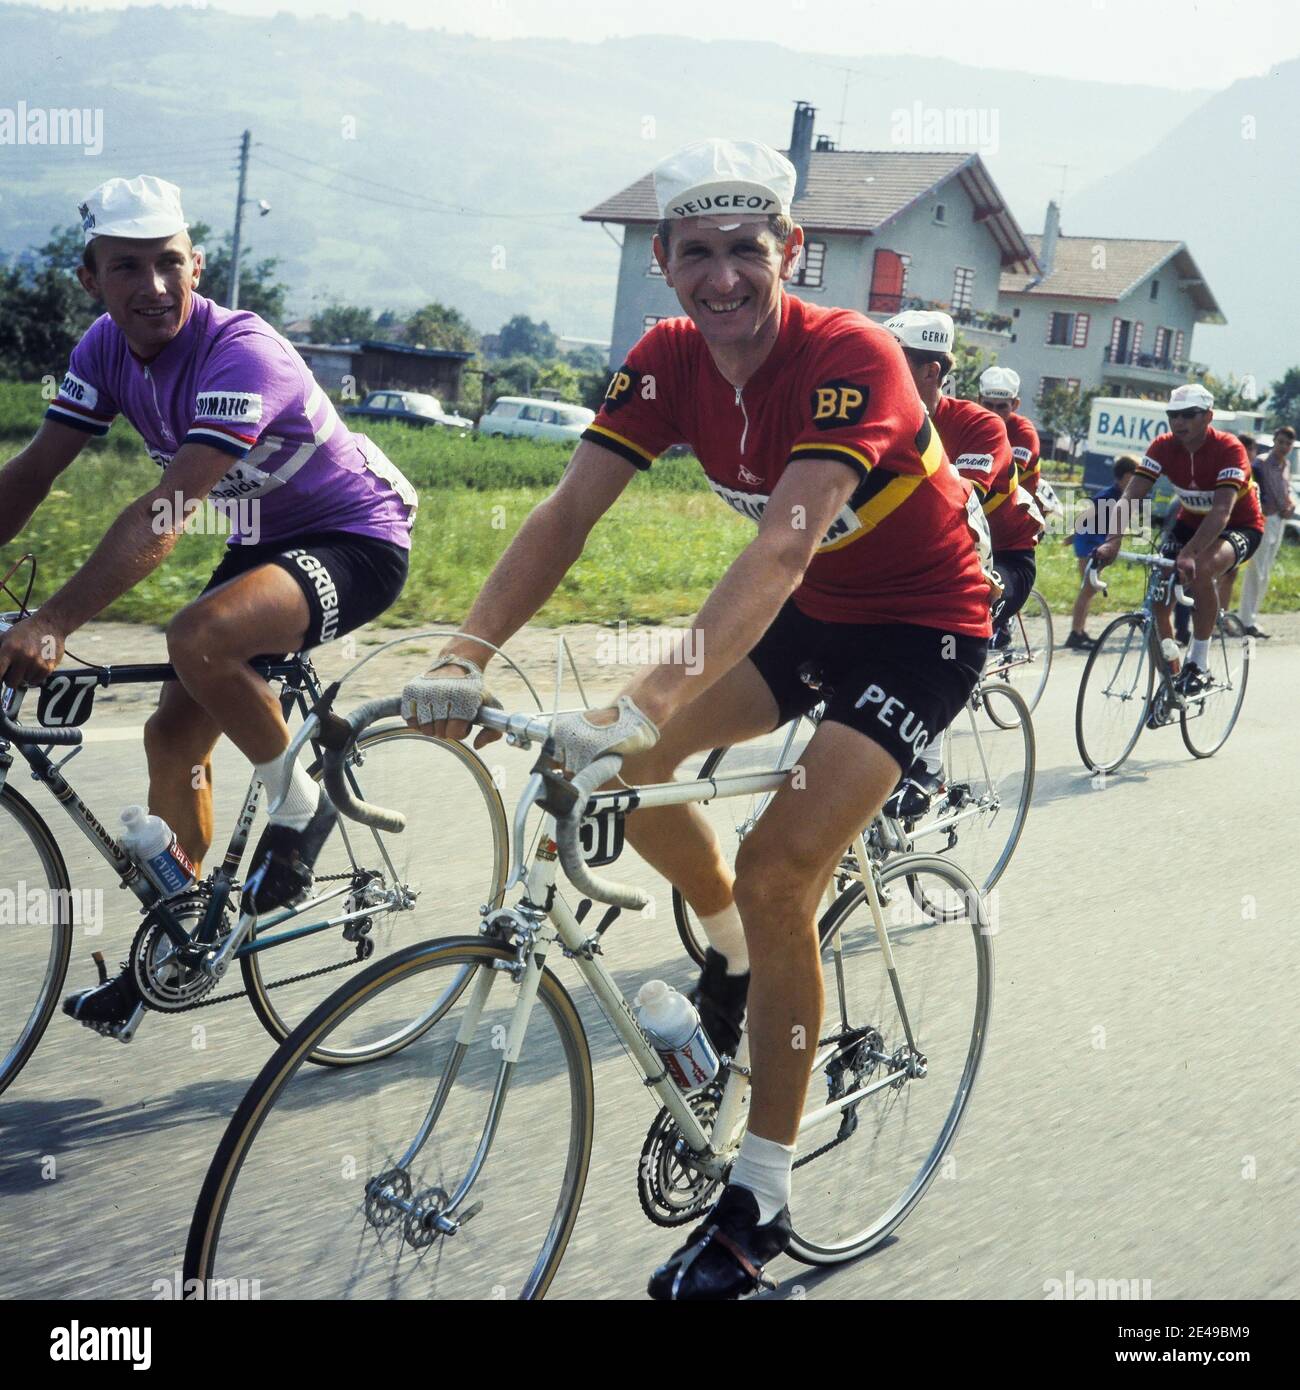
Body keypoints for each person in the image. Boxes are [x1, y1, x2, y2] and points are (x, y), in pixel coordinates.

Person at [399, 138, 991, 1300]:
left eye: (746, 252)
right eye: (697, 255)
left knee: (781, 867)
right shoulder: (665, 361)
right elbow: (569, 512)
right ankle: (727, 961)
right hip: (804, 613)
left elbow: (780, 540)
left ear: (790, 254)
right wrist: (468, 650)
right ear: (663, 260)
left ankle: (761, 1197)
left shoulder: (849, 355)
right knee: (625, 777)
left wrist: (639, 698)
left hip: (924, 623)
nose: (721, 278)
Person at [0, 176, 416, 1029]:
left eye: (167, 264)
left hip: (354, 535)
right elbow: (36, 472)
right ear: (91, 280)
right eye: (127, 269)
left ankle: (302, 804)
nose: (151, 287)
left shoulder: (241, 351)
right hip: (263, 538)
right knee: (171, 735)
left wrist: (53, 623)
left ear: (197, 263)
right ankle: (182, 929)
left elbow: (168, 512)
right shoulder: (101, 353)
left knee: (199, 636)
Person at [882, 308, 1039, 812]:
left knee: (936, 638)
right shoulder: (885, 417)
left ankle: (928, 768)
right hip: (921, 556)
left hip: (1002, 557)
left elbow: (958, 500)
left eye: (895, 361)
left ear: (932, 371)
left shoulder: (979, 425)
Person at [1093, 383, 1263, 694]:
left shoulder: (1229, 448)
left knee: (1201, 570)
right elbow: (1131, 494)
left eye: (1189, 415)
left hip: (1238, 525)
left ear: (1208, 416)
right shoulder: (1163, 447)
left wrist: (1189, 553)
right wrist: (1112, 539)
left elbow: (1222, 511)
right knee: (1159, 596)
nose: (1179, 422)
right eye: (1174, 415)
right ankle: (1171, 680)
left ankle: (1199, 663)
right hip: (1189, 523)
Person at [1065, 454, 1137, 650]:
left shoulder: (1121, 497)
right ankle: (1075, 634)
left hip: (1096, 543)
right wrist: (1072, 537)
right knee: (1088, 588)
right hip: (1088, 543)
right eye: (1135, 475)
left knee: (1089, 589)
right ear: (1124, 476)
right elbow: (1085, 515)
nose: (1138, 480)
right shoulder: (1109, 496)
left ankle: (1079, 631)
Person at [1237, 425, 1295, 638]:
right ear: (1274, 441)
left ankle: (1252, 616)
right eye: (1281, 442)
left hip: (1280, 519)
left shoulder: (1286, 464)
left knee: (1266, 572)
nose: (1284, 447)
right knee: (1256, 570)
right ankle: (1245, 620)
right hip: (1264, 518)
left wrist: (1290, 504)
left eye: (1288, 443)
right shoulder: (1261, 463)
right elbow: (1253, 490)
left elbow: (1285, 490)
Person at [978, 366, 1042, 499]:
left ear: (1015, 405)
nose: (994, 413)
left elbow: (1007, 483)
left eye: (1002, 407)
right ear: (978, 401)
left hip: (1019, 512)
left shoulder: (1024, 433)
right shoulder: (971, 425)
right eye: (988, 405)